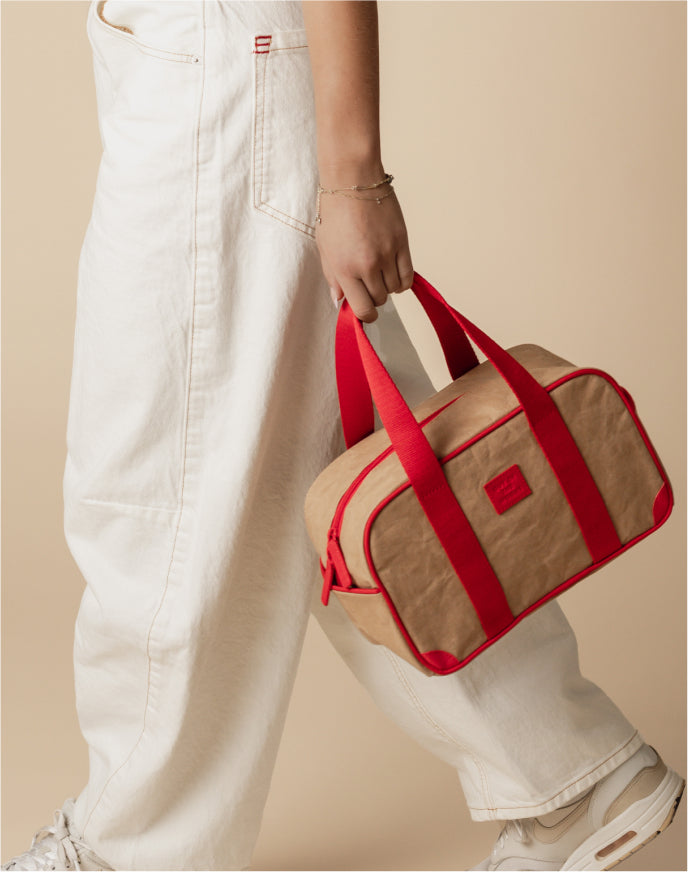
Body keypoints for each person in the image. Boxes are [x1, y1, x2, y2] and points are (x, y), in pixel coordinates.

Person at [3, 2, 684, 871]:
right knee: (356, 504)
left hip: (219, 84)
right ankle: (576, 777)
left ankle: (132, 851)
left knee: (164, 501)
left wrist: (353, 177)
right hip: (204, 72)